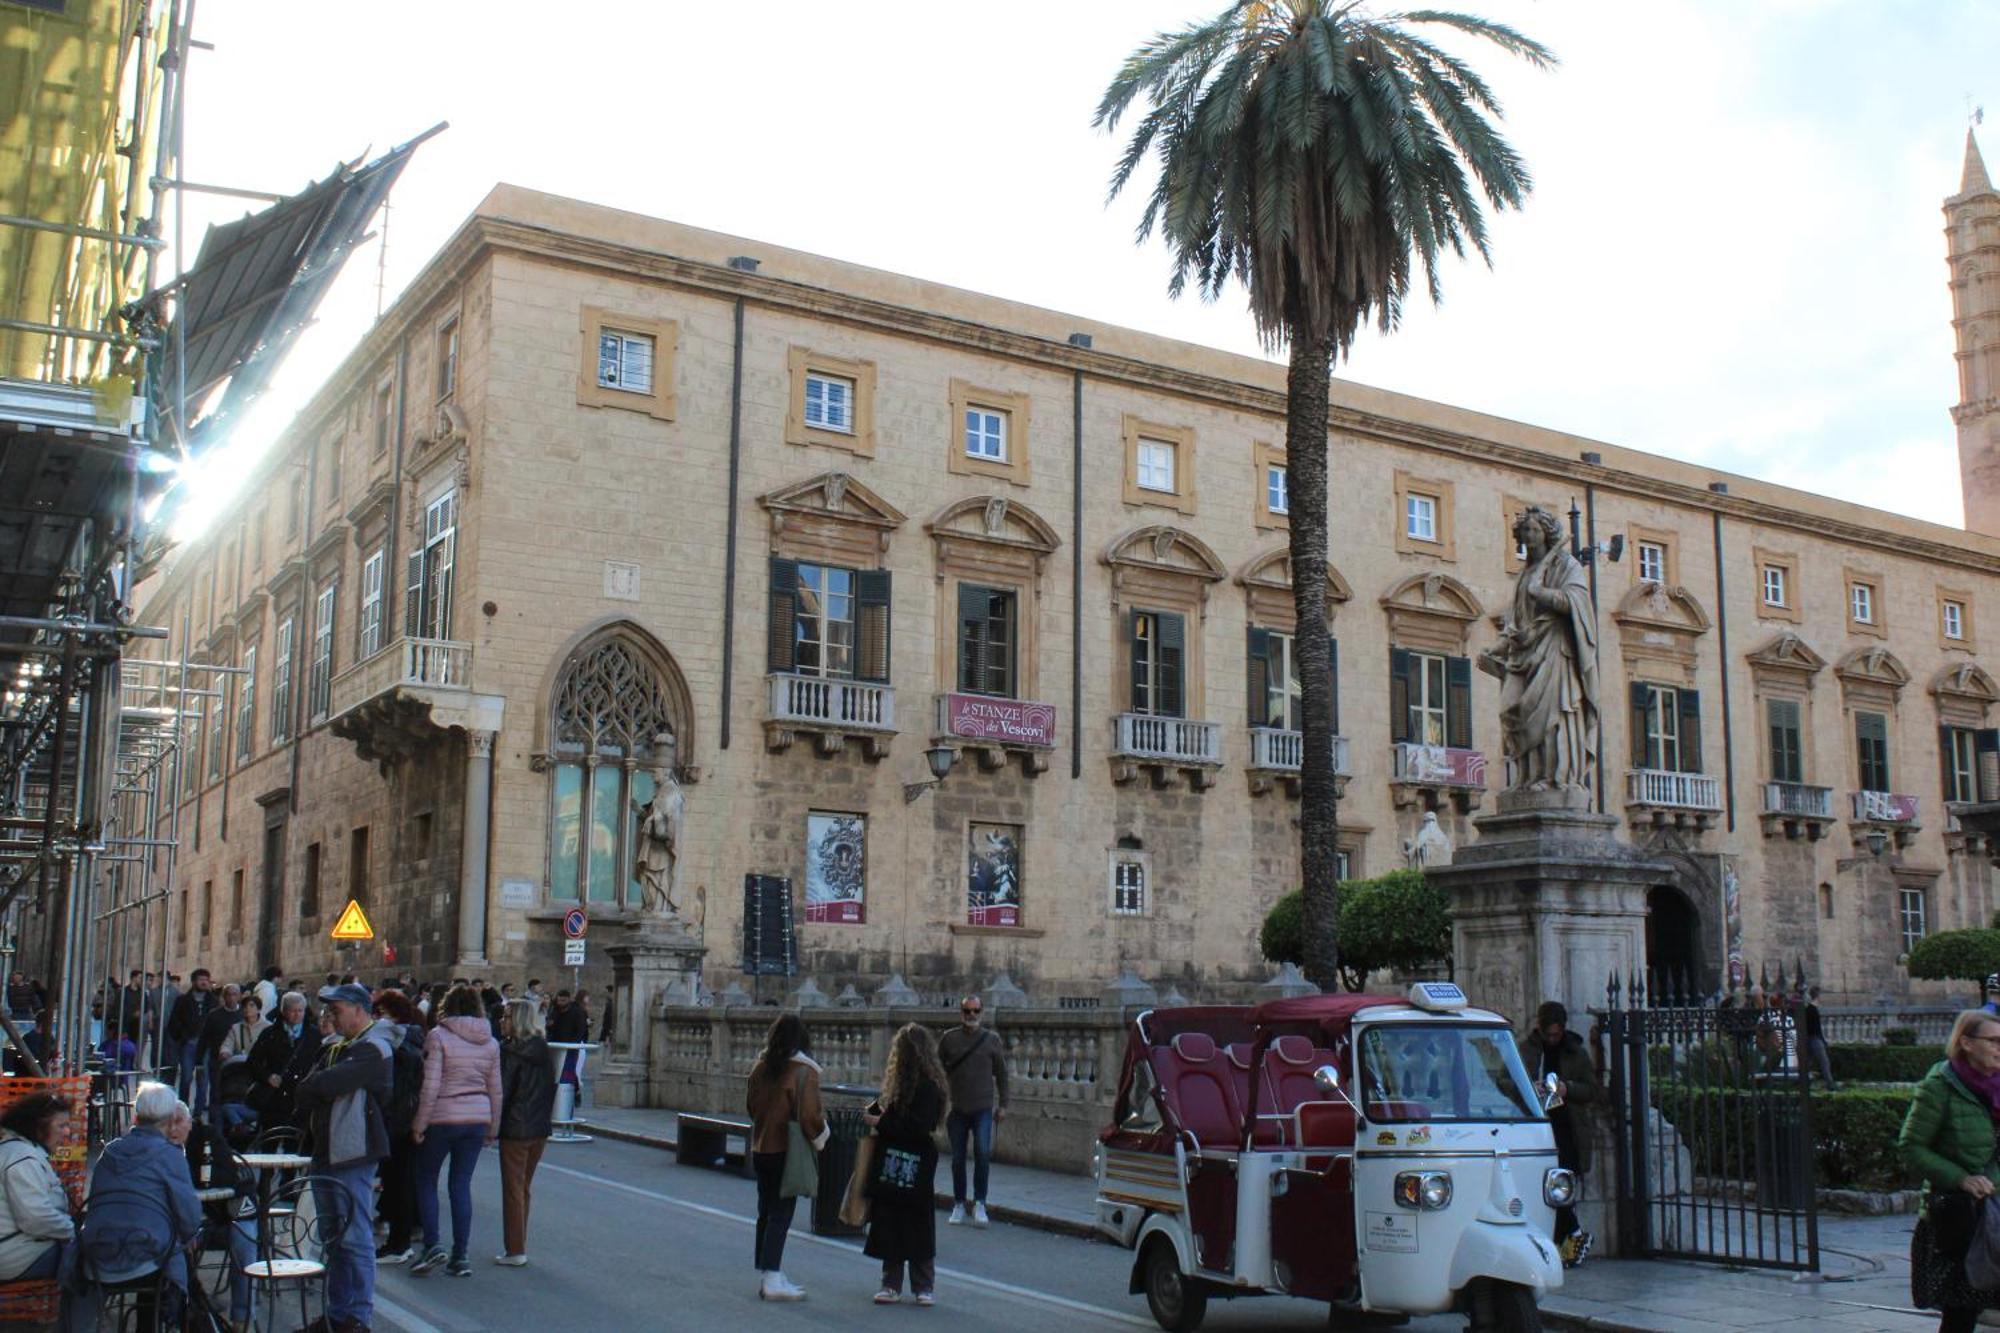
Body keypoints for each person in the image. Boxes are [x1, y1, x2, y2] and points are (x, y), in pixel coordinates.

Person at [292, 983, 394, 1333]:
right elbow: (306, 1086)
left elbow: (321, 1085)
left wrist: (318, 1084)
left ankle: (359, 1315)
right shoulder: (338, 1047)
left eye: (337, 1010)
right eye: (330, 1011)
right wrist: (317, 1084)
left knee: (354, 1236)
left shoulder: (372, 1048)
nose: (331, 1017)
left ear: (359, 1010)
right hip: (326, 1150)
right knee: (333, 1237)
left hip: (353, 1151)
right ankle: (337, 1313)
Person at [1902, 1009, 2000, 1332]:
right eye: (1993, 1041)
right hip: (1961, 1215)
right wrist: (1961, 1178)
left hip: (1997, 1211)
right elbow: (1911, 1147)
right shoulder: (1939, 1087)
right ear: (1967, 1043)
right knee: (1961, 1312)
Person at [76, 1083, 201, 1323]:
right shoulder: (170, 1155)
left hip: (97, 1256)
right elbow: (189, 1218)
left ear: (136, 1115)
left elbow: (96, 1203)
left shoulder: (111, 1151)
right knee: (174, 1251)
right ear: (168, 1119)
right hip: (146, 1261)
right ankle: (165, 1321)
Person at [410, 985, 501, 1278]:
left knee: (426, 1178)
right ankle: (460, 1256)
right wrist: (493, 1127)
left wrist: (419, 1124)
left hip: (443, 1116)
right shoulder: (490, 1042)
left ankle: (433, 1244)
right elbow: (495, 1090)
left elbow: (431, 1085)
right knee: (460, 1184)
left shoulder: (438, 1036)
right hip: (476, 1116)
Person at [744, 1013, 827, 1302]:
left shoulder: (760, 1067)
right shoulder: (804, 1071)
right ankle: (771, 1276)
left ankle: (770, 1272)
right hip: (786, 1149)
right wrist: (821, 1138)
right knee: (782, 1213)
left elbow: (751, 1107)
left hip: (761, 1145)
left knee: (766, 1211)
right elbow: (810, 1115)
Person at [864, 1024, 948, 1306]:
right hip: (918, 1160)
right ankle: (921, 1286)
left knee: (896, 1220)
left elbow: (913, 1126)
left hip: (899, 1157)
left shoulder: (920, 1086)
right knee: (916, 1221)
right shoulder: (929, 1085)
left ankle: (893, 1283)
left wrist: (880, 1121)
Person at [1519, 1000, 1600, 1267]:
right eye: (1548, 1034)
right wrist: (1530, 1087)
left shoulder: (1575, 1052)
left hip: (1567, 1129)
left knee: (1560, 1185)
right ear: (1539, 1030)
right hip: (1534, 1129)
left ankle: (1571, 1238)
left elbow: (1591, 1090)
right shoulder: (1527, 1050)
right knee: (1543, 1185)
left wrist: (1568, 1089)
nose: (1552, 1039)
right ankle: (1571, 1238)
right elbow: (1505, 1081)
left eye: (1556, 1034)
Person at [937, 993, 1008, 1226]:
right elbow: (937, 1072)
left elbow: (1002, 1075)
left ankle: (979, 1203)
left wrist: (1004, 1105)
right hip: (957, 1109)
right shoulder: (949, 1039)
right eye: (967, 1011)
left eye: (976, 1011)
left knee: (982, 1154)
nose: (971, 1015)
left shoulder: (991, 1040)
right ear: (961, 1013)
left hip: (983, 1108)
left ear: (982, 1013)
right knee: (957, 1158)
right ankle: (958, 1203)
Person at [495, 997, 555, 1267]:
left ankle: (515, 1249)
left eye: (506, 1016)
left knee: (513, 1190)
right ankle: (519, 1243)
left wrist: (492, 1124)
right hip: (539, 1127)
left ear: (516, 1020)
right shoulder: (542, 1049)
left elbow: (503, 1093)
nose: (502, 1021)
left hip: (516, 1126)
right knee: (523, 1188)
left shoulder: (510, 1053)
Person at [372, 988, 427, 1265]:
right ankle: (400, 1238)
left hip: (398, 1117)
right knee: (399, 1181)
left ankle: (398, 1242)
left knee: (397, 1182)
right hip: (406, 1115)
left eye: (381, 1013)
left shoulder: (398, 1042)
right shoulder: (413, 1039)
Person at [0, 1092, 74, 1281]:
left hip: (12, 1248)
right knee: (88, 1261)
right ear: (38, 1127)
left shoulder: (16, 1151)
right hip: (12, 1254)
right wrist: (73, 1231)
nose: (67, 1132)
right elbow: (35, 1219)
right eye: (61, 1125)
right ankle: (83, 1312)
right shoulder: (22, 1158)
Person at [166, 969, 217, 1101]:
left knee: (203, 1080)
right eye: (201, 980)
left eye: (206, 980)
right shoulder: (182, 1000)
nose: (204, 983)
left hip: (206, 1046)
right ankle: (184, 1106)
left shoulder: (213, 1001)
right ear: (194, 981)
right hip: (188, 1044)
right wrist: (183, 1036)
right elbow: (174, 1021)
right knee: (186, 1078)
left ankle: (198, 1112)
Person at [194, 983, 243, 1115]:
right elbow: (204, 1038)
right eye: (228, 995)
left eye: (234, 994)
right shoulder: (214, 1015)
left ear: (239, 996)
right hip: (217, 1059)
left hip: (240, 1061)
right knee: (216, 1092)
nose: (231, 998)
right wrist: (199, 1061)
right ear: (224, 997)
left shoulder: (243, 1014)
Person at [1802, 986, 1838, 1090]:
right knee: (1824, 1061)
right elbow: (1816, 1028)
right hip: (1815, 1039)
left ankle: (1803, 1083)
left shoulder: (1808, 1009)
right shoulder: (1812, 1010)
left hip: (1810, 1038)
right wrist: (1822, 1040)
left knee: (1808, 1063)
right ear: (1818, 995)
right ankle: (1830, 1083)